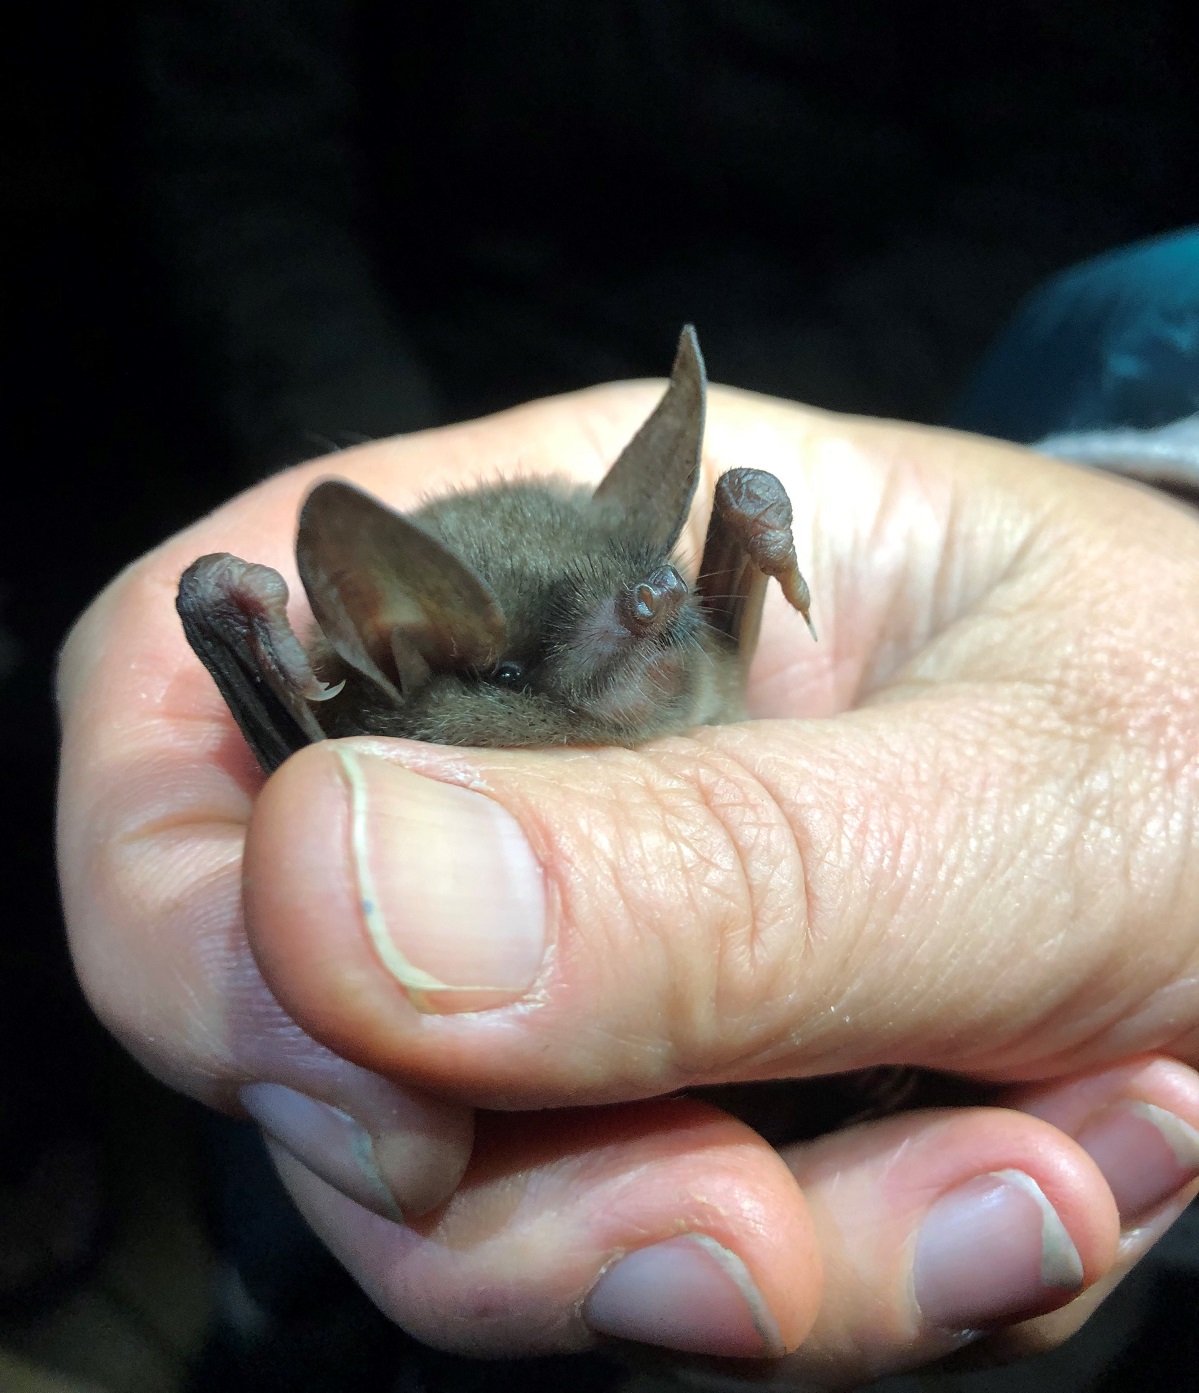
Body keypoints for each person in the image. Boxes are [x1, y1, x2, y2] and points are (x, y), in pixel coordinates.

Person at [55, 230, 1199, 1387]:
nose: (655, 613)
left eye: (661, 594)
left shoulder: (683, 643)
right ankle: (282, 1316)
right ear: (416, 674)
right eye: (541, 655)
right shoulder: (394, 741)